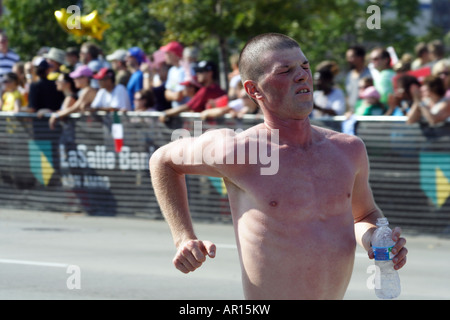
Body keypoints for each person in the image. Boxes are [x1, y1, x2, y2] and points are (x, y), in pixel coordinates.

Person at [149, 33, 408, 300]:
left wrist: (376, 239)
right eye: (285, 70)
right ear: (253, 90)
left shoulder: (348, 149)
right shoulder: (238, 150)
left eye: (305, 67)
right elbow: (163, 160)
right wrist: (183, 237)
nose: (302, 76)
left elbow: (363, 215)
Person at [159, 60, 226, 122]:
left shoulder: (207, 90)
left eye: (201, 71)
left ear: (210, 73)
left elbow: (187, 106)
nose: (197, 74)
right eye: (197, 71)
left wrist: (165, 113)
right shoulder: (216, 88)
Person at [49, 65, 97, 129]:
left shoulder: (88, 90)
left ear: (85, 78)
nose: (74, 80)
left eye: (77, 77)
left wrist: (56, 115)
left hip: (94, 128)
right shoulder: (85, 90)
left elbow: (75, 108)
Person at [160, 41, 191, 108]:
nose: (165, 56)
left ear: (174, 54)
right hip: (176, 111)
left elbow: (179, 96)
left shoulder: (186, 70)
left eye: (167, 53)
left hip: (186, 112)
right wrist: (172, 95)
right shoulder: (172, 70)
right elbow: (166, 94)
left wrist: (171, 94)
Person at [345, 45, 372, 112]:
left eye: (351, 57)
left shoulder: (370, 74)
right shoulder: (349, 76)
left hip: (366, 113)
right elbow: (348, 96)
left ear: (360, 57)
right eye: (347, 57)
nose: (348, 60)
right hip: (352, 114)